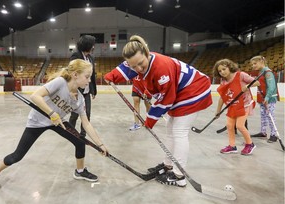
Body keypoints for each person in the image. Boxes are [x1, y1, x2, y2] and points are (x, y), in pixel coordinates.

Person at [104, 35, 212, 187]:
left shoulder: (161, 67)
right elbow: (125, 68)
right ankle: (168, 165)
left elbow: (167, 99)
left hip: (193, 90)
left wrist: (149, 120)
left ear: (147, 53)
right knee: (170, 130)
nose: (138, 69)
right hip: (180, 92)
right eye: (134, 67)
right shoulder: (136, 61)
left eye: (141, 64)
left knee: (179, 131)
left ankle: (179, 176)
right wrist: (111, 76)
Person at [0, 59, 108, 182]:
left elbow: (86, 123)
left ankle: (80, 171)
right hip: (38, 121)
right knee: (17, 156)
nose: (89, 81)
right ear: (75, 75)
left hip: (57, 122)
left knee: (80, 142)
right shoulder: (60, 83)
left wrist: (100, 145)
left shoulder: (80, 99)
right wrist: (52, 113)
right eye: (87, 77)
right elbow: (35, 96)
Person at [213, 59, 260, 155]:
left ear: (230, 67)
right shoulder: (223, 80)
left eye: (224, 69)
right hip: (232, 105)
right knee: (230, 126)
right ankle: (232, 146)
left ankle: (250, 144)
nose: (222, 72)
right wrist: (218, 111)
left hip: (244, 104)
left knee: (239, 125)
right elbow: (222, 97)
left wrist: (247, 86)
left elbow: (257, 82)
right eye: (220, 71)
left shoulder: (241, 75)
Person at [69, 35, 97, 139]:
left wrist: (93, 90)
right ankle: (70, 131)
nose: (93, 47)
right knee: (75, 114)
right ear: (87, 45)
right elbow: (71, 72)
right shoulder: (75, 56)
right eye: (92, 45)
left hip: (87, 91)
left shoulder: (91, 58)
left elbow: (92, 75)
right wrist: (72, 90)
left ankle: (83, 135)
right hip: (77, 90)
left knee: (87, 113)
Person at [250, 56, 279, 143]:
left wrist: (267, 97)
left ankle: (273, 135)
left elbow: (272, 87)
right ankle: (263, 132)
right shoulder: (260, 72)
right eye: (252, 64)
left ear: (261, 62)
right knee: (263, 116)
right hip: (262, 98)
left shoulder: (267, 72)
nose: (253, 66)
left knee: (270, 116)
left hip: (269, 99)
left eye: (255, 63)